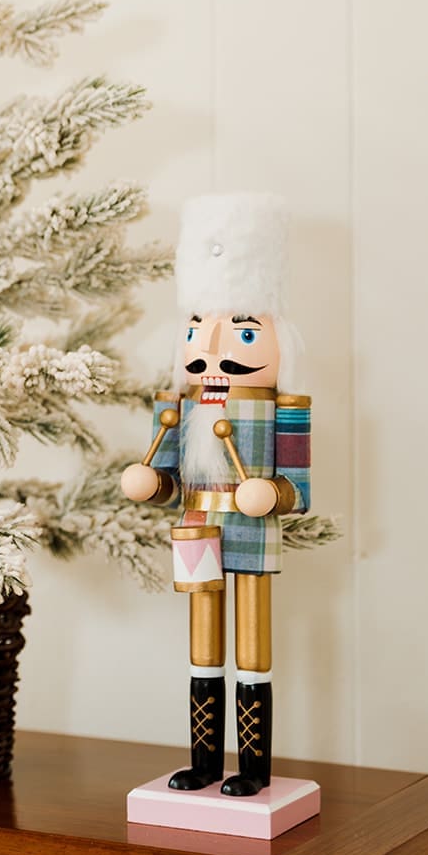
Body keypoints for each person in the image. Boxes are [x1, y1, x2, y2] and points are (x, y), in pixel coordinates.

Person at [121, 193, 311, 796]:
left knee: (253, 648)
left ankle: (252, 768)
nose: (215, 349)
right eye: (199, 329)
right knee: (203, 645)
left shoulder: (285, 411)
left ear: (278, 338)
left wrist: (272, 493)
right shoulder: (177, 408)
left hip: (252, 531)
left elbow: (299, 489)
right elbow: (170, 479)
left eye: (244, 332)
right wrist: (153, 483)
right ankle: (204, 762)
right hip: (197, 525)